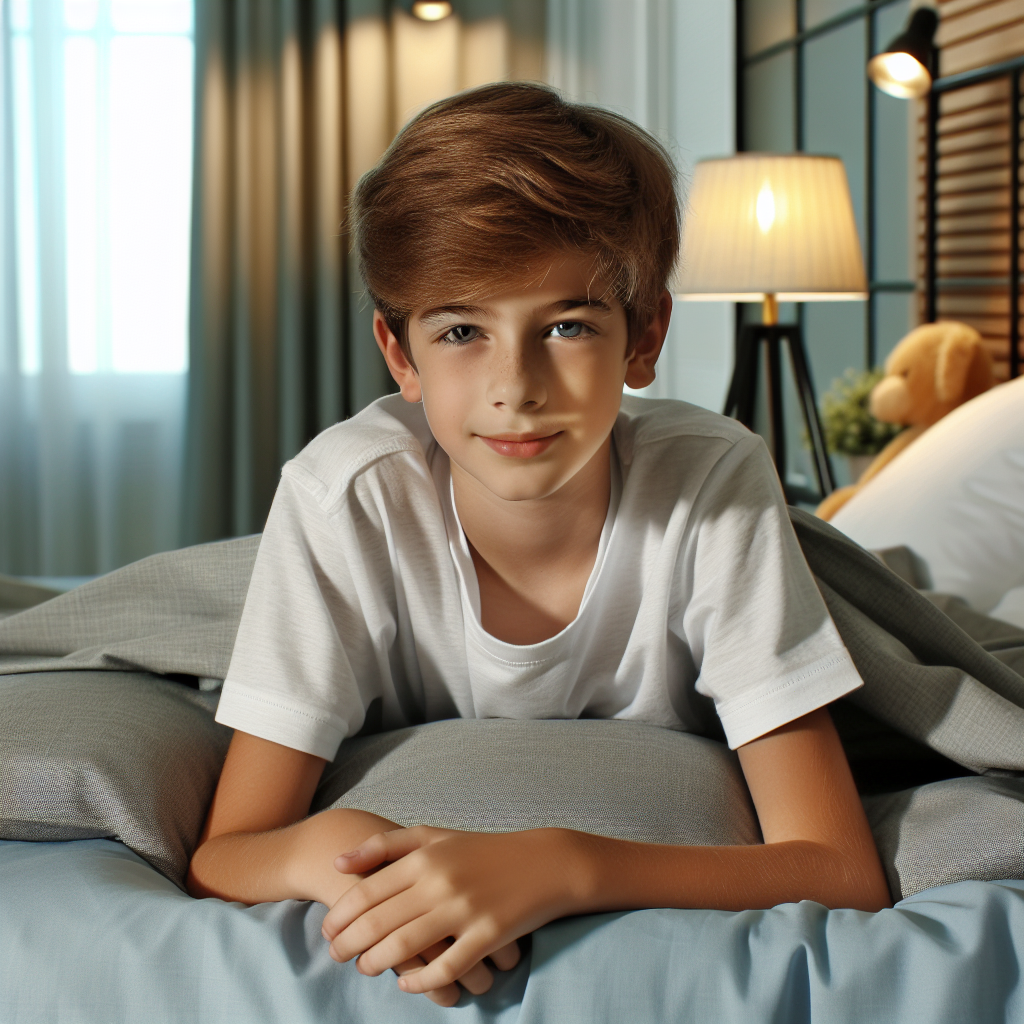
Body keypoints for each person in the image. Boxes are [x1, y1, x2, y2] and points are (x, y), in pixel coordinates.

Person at [186, 82, 891, 1008]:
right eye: (461, 331)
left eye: (566, 326)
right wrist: (326, 848)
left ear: (645, 339)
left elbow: (842, 870)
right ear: (400, 356)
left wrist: (565, 865)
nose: (514, 386)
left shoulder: (714, 482)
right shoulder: (343, 496)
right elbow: (224, 856)